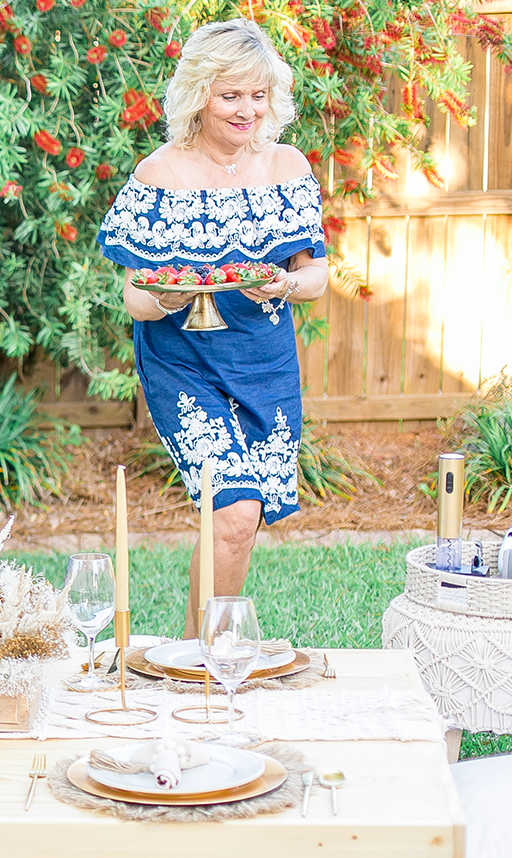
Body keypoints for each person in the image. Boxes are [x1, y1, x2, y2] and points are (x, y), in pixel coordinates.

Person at [98, 18, 328, 638]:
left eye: (258, 95)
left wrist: (282, 284)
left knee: (242, 521)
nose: (247, 109)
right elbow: (134, 298)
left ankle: (196, 652)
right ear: (199, 93)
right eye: (232, 95)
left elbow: (316, 277)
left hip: (265, 361)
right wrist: (172, 296)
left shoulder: (287, 165)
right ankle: (209, 659)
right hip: (183, 362)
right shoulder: (159, 174)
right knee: (233, 509)